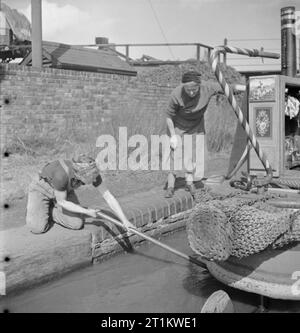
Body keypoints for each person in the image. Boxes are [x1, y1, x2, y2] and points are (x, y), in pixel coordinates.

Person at [165, 70, 244, 198]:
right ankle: (170, 187)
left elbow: (226, 87)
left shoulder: (207, 88)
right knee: (175, 156)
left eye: (194, 89)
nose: (191, 92)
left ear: (199, 86)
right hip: (178, 126)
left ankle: (190, 184)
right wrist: (173, 135)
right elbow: (169, 116)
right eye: (187, 89)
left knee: (192, 155)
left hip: (196, 126)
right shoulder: (176, 94)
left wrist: (245, 87)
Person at [26, 154, 136, 234]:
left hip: (63, 191)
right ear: (79, 174)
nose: (92, 180)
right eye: (89, 178)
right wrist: (86, 211)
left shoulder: (92, 173)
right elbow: (62, 201)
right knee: (37, 228)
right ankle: (44, 208)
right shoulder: (62, 175)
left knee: (76, 223)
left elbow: (108, 196)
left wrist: (124, 220)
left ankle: (51, 210)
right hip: (42, 188)